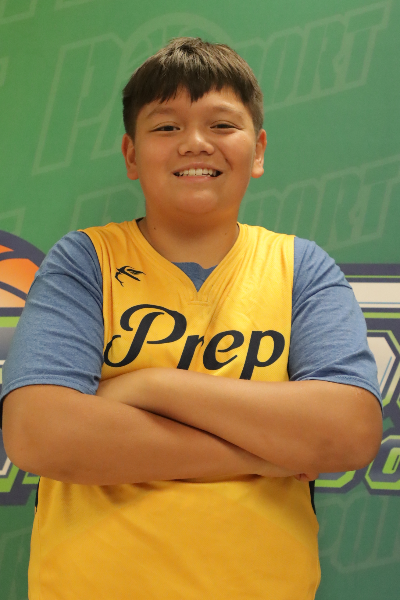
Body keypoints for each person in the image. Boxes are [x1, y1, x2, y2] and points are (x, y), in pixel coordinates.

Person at [1, 37, 382, 600]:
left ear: (258, 150)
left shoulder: (301, 267)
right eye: (166, 126)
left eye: (222, 125)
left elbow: (349, 432)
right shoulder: (86, 261)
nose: (195, 143)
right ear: (132, 155)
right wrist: (262, 454)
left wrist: (150, 386)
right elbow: (40, 434)